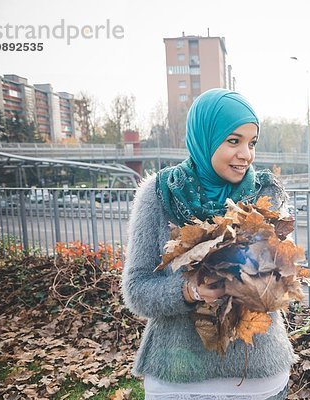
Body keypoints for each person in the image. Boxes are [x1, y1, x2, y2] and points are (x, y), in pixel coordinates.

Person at [122, 88, 295, 400]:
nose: (246, 154)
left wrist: (258, 279)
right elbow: (137, 290)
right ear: (205, 137)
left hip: (257, 378)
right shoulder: (160, 193)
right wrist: (190, 290)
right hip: (178, 380)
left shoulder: (267, 192)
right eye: (234, 141)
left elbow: (285, 282)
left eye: (251, 142)